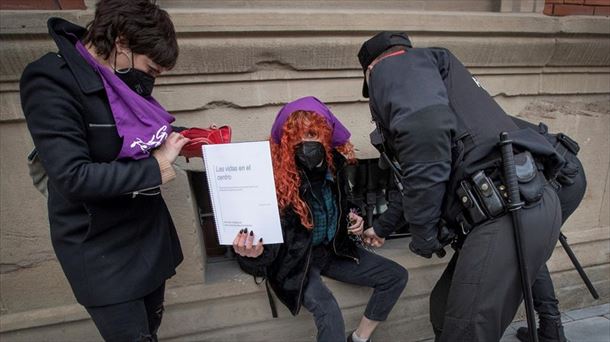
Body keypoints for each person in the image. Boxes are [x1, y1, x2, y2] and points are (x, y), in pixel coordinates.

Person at [357, 31, 565, 341]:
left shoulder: (394, 67)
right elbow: (420, 174)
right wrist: (384, 227)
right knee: (443, 310)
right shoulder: (441, 70)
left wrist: (424, 235)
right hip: (528, 203)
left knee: (464, 332)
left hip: (500, 211)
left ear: (371, 69)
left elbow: (426, 159)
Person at [20, 1, 189, 340]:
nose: (150, 81)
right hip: (101, 250)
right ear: (121, 43)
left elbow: (136, 134)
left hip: (147, 236)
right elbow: (73, 177)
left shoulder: (118, 73)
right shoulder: (51, 80)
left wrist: (192, 139)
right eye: (151, 69)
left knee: (150, 331)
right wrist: (158, 166)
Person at [234, 96, 408, 342]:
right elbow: (264, 248)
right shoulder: (272, 180)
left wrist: (353, 219)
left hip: (332, 252)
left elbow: (347, 202)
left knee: (395, 276)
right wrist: (253, 255)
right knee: (329, 311)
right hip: (295, 262)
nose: (307, 142)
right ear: (287, 141)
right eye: (298, 135)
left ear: (325, 136)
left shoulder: (334, 166)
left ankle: (359, 338)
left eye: (314, 133)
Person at [512, 118, 587, 342]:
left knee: (528, 251)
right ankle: (551, 328)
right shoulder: (472, 101)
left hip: (560, 179)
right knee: (527, 250)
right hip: (563, 166)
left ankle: (552, 331)